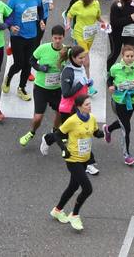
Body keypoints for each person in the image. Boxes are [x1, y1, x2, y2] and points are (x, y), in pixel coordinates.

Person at [49, 92, 108, 233]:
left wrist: (100, 133)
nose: (90, 107)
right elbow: (56, 135)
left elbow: (94, 131)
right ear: (79, 107)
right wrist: (64, 149)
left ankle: (57, 210)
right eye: (87, 105)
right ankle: (74, 214)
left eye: (90, 104)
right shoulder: (72, 121)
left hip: (84, 159)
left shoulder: (92, 118)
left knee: (73, 187)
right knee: (87, 188)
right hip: (73, 159)